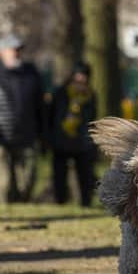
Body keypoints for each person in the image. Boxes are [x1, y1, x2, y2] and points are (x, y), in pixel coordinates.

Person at [0, 33, 44, 204]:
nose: (16, 53)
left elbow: (40, 106)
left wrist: (43, 133)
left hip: (27, 135)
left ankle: (23, 206)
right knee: (5, 183)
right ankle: (7, 208)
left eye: (18, 49)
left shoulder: (31, 74)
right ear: (1, 52)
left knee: (27, 181)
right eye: (12, 49)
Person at [48, 61, 97, 207]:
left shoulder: (90, 96)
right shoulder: (60, 93)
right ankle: (60, 202)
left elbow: (92, 118)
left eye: (84, 78)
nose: (81, 81)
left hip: (82, 142)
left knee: (85, 175)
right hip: (61, 140)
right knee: (59, 176)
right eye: (78, 77)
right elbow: (51, 115)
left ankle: (85, 202)